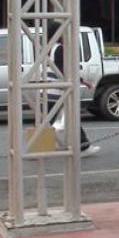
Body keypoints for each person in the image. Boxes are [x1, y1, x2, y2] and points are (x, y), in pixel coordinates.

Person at [46, 22, 101, 157]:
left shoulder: (49, 48)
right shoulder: (59, 49)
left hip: (50, 90)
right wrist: (78, 80)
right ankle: (83, 147)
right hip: (60, 91)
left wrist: (81, 80)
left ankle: (37, 147)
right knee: (71, 118)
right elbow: (66, 70)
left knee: (51, 121)